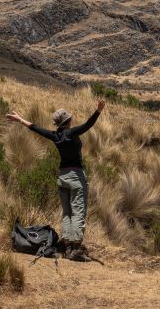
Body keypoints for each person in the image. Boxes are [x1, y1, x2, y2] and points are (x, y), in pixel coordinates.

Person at [6, 99, 105, 260]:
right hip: (76, 177)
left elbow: (35, 128)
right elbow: (88, 125)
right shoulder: (71, 133)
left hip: (62, 177)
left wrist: (20, 119)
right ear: (68, 121)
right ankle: (76, 247)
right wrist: (98, 111)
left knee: (67, 213)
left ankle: (66, 246)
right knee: (78, 211)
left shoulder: (55, 136)